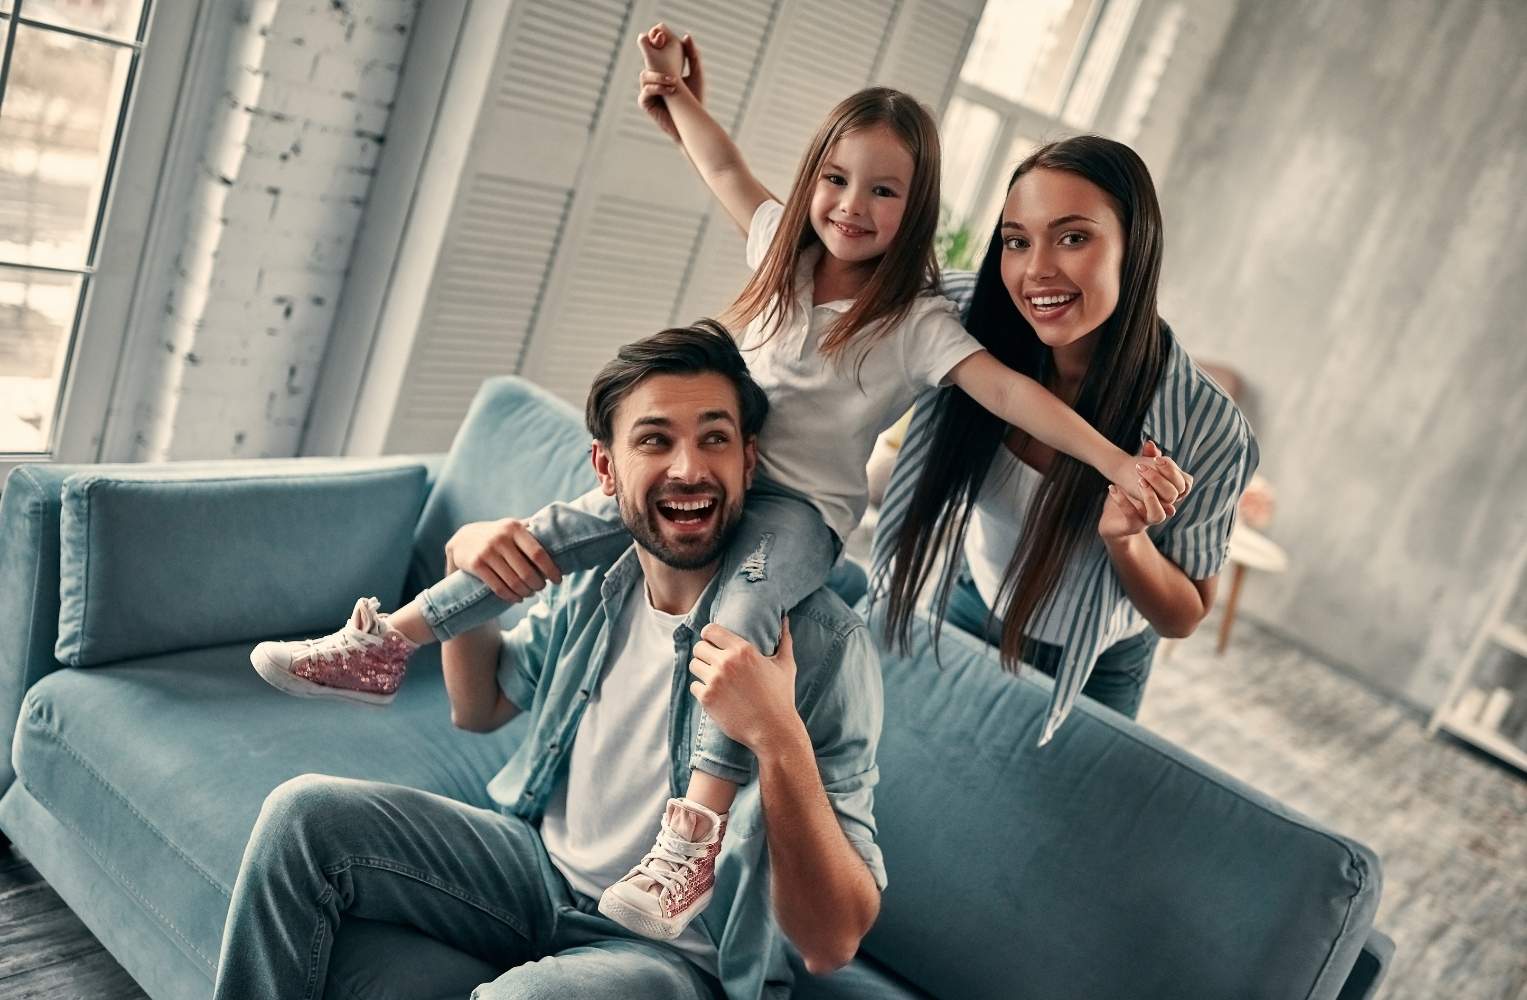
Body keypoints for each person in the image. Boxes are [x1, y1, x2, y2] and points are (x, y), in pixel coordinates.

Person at [247, 26, 1181, 938]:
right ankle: (384, 645)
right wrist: (679, 100)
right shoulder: (782, 258)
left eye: (883, 190)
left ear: (917, 204)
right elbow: (726, 170)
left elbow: (1015, 393)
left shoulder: (915, 324)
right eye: (836, 178)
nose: (852, 205)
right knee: (550, 529)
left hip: (796, 516)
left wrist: (1115, 462)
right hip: (723, 482)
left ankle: (689, 836)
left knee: (734, 630)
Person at [212, 324, 885, 1000]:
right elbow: (479, 709)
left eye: (713, 438)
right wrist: (462, 565)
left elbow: (832, 942)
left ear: (748, 460)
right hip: (536, 874)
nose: (687, 468)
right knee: (304, 815)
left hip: (679, 957)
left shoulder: (824, 645)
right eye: (654, 440)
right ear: (605, 469)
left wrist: (776, 738)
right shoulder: (601, 585)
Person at [874, 135, 1259, 740]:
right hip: (975, 601)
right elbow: (819, 256)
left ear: (1136, 248)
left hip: (1097, 663)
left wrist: (1127, 540)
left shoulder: (1206, 424)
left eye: (1073, 237)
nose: (1036, 270)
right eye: (1017, 241)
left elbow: (1184, 615)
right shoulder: (966, 318)